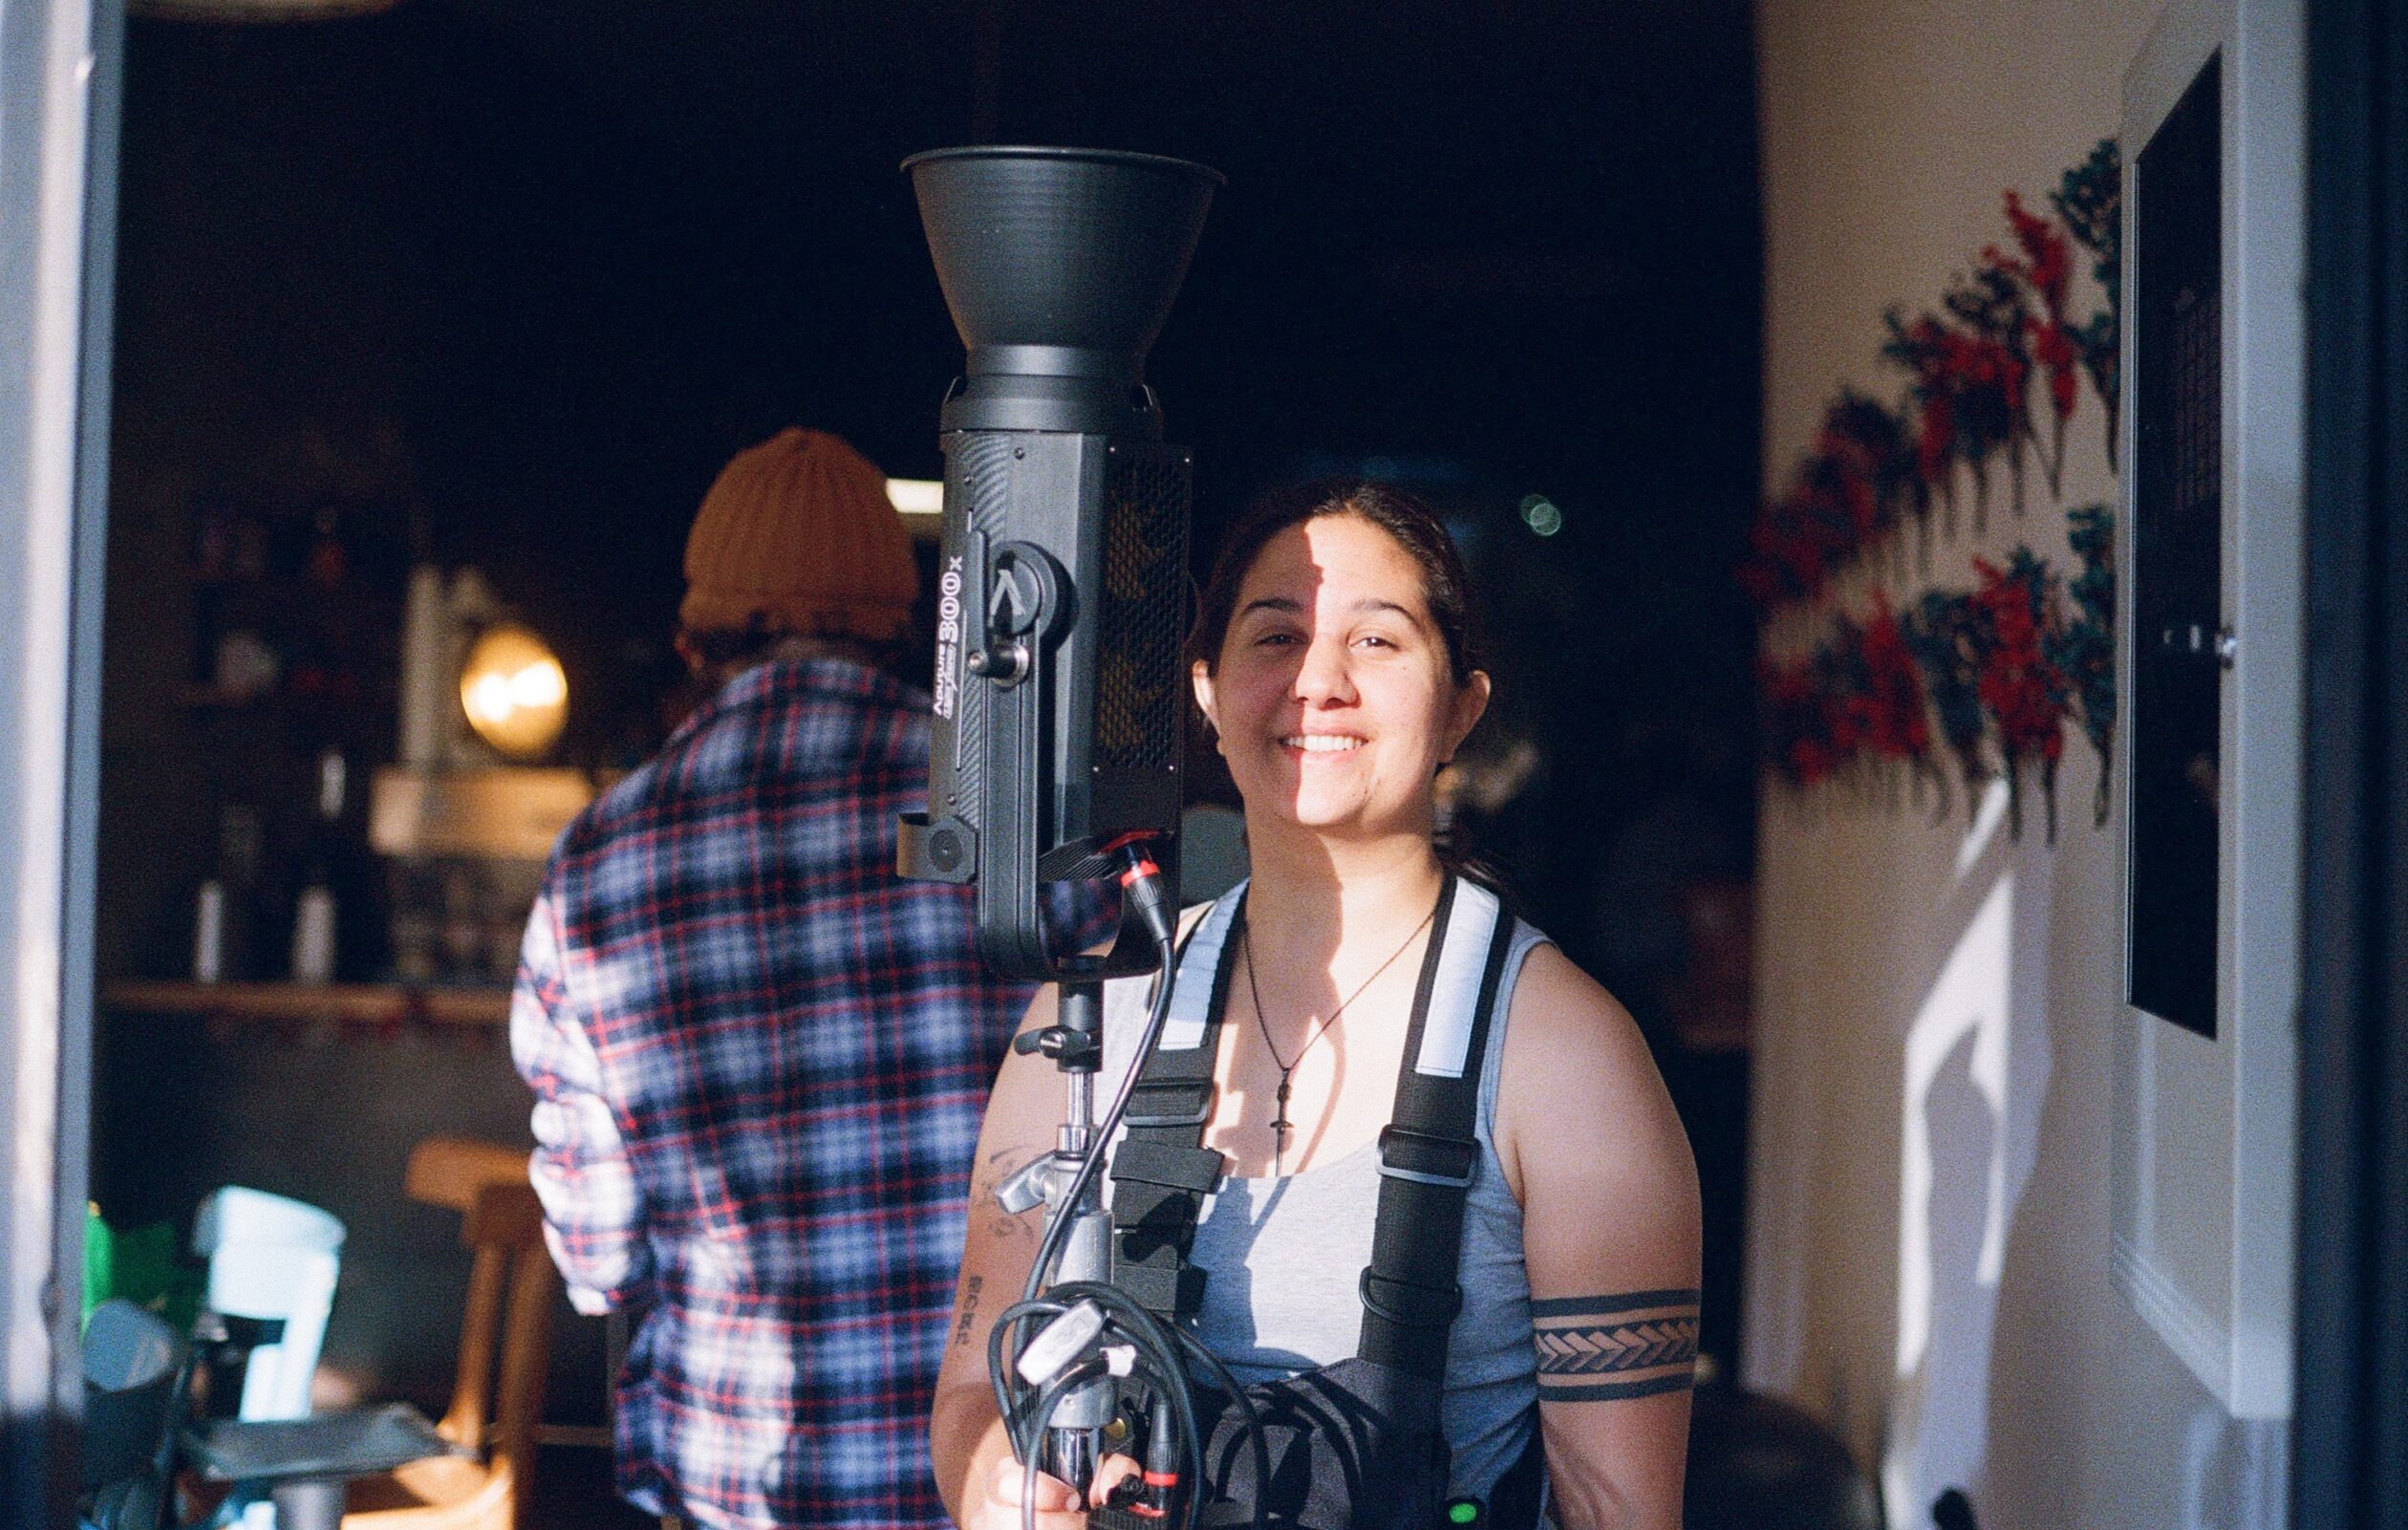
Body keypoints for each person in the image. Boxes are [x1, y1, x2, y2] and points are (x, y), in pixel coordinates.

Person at [933, 479, 1703, 1530]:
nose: (1318, 681)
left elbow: (1622, 1514)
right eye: (1275, 636)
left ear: (1463, 706)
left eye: (1376, 640)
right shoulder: (1093, 1015)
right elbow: (973, 1389)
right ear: (1206, 694)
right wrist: (997, 1482)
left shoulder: (1563, 1055)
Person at [511, 427, 1116, 1530]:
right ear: (905, 624)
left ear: (695, 635)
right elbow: (1115, 1136)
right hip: (998, 1467)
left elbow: (596, 1254)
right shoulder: (1019, 821)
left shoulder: (598, 858)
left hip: (739, 1472)